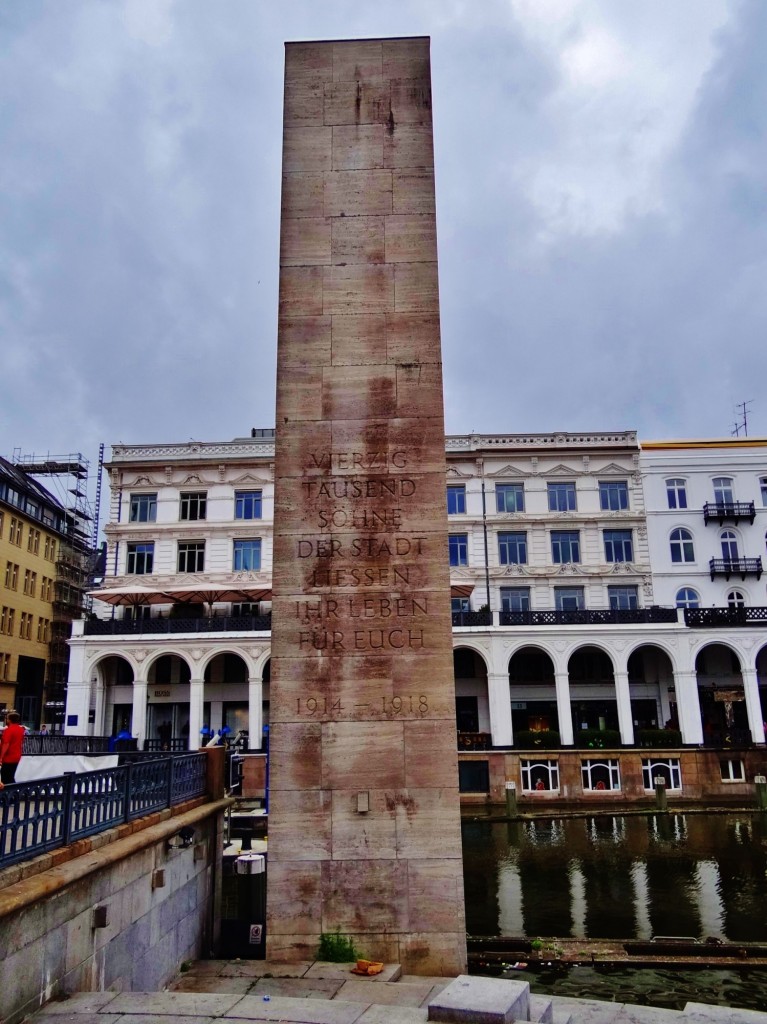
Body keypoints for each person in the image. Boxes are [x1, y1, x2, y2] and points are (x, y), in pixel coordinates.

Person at [0, 710, 25, 784]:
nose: (6, 720)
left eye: (7, 718)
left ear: (9, 720)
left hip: (8, 757)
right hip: (17, 755)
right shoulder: (20, 729)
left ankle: (9, 794)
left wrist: (1, 756)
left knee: (5, 776)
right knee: (10, 775)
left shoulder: (9, 730)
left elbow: (6, 744)